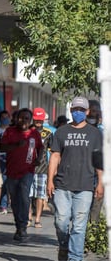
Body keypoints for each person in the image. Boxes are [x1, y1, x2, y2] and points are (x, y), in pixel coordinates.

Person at [47, 96, 103, 261]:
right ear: (71, 110)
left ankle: (75, 257)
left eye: (81, 110)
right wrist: (50, 180)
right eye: (75, 109)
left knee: (79, 226)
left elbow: (98, 160)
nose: (78, 112)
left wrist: (100, 183)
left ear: (86, 111)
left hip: (85, 187)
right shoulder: (61, 131)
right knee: (61, 222)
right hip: (62, 185)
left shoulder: (95, 134)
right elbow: (55, 156)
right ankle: (64, 246)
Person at [0, 108, 43, 242]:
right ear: (16, 118)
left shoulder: (34, 133)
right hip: (12, 171)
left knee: (24, 196)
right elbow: (2, 148)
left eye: (26, 118)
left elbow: (40, 147)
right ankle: (18, 225)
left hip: (27, 171)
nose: (23, 120)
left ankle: (23, 227)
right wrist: (16, 145)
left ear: (30, 120)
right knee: (14, 200)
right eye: (21, 117)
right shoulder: (10, 131)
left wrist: (39, 158)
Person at [28, 108, 54, 228]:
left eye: (40, 119)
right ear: (33, 119)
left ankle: (37, 219)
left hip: (42, 169)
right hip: (27, 168)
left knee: (39, 195)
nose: (38, 121)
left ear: (43, 119)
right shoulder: (27, 132)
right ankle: (28, 217)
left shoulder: (48, 133)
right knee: (28, 194)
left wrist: (53, 170)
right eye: (36, 119)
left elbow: (53, 152)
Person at [86, 99, 104, 223]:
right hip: (82, 178)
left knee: (95, 213)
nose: (94, 114)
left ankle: (90, 238)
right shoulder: (78, 129)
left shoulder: (103, 132)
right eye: (92, 111)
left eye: (97, 112)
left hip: (99, 178)